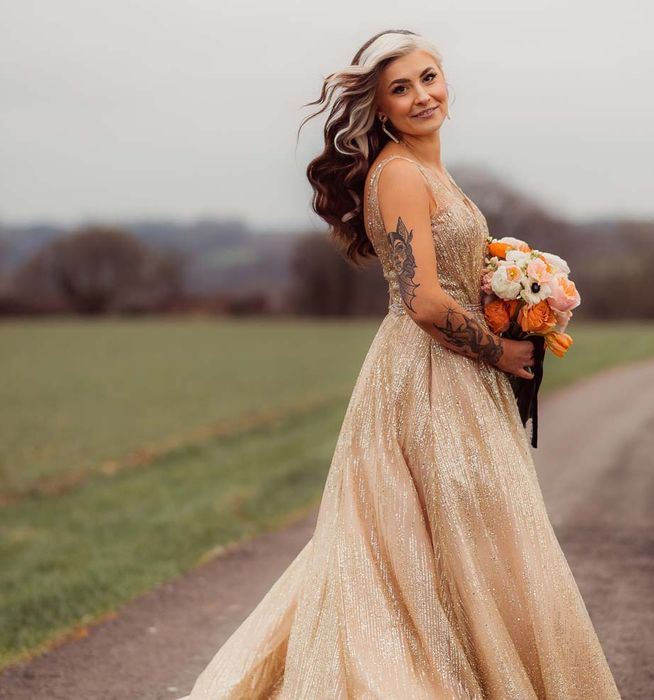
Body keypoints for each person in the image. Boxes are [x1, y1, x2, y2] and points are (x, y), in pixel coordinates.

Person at [178, 29, 622, 699]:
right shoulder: (402, 174)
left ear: (448, 83)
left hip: (458, 374)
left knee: (461, 544)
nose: (422, 96)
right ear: (380, 109)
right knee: (420, 550)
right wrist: (500, 348)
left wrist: (509, 292)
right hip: (426, 379)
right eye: (401, 88)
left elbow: (450, 273)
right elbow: (420, 301)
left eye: (429, 78)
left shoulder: (431, 169)